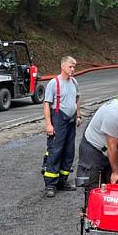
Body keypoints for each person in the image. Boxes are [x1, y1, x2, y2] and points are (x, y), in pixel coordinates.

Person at [42, 56, 82, 197]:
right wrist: (49, 124)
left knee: (69, 151)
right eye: (71, 66)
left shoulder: (74, 82)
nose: (73, 69)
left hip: (70, 120)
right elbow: (47, 104)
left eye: (74, 67)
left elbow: (77, 98)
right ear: (63, 66)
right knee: (55, 151)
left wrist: (78, 115)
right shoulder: (54, 83)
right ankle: (50, 184)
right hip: (58, 120)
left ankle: (62, 181)